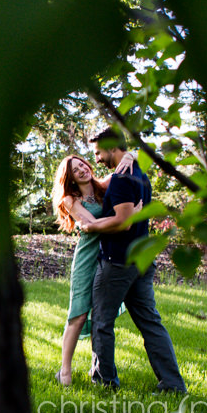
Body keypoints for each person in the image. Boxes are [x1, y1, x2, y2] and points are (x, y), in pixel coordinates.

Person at [84, 128, 187, 393]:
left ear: (110, 147)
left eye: (97, 152)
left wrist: (91, 227)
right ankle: (173, 384)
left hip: (118, 261)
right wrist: (131, 154)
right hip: (141, 260)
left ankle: (104, 382)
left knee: (102, 322)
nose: (96, 158)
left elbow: (123, 222)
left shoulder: (120, 179)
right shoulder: (138, 171)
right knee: (151, 323)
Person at [52, 152, 139, 386]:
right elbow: (92, 226)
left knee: (100, 313)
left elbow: (135, 156)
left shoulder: (103, 185)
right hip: (86, 259)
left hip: (107, 257)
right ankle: (65, 371)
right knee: (78, 315)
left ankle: (100, 368)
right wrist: (131, 215)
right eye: (75, 170)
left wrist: (130, 156)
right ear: (70, 178)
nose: (81, 170)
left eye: (82, 165)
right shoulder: (70, 200)